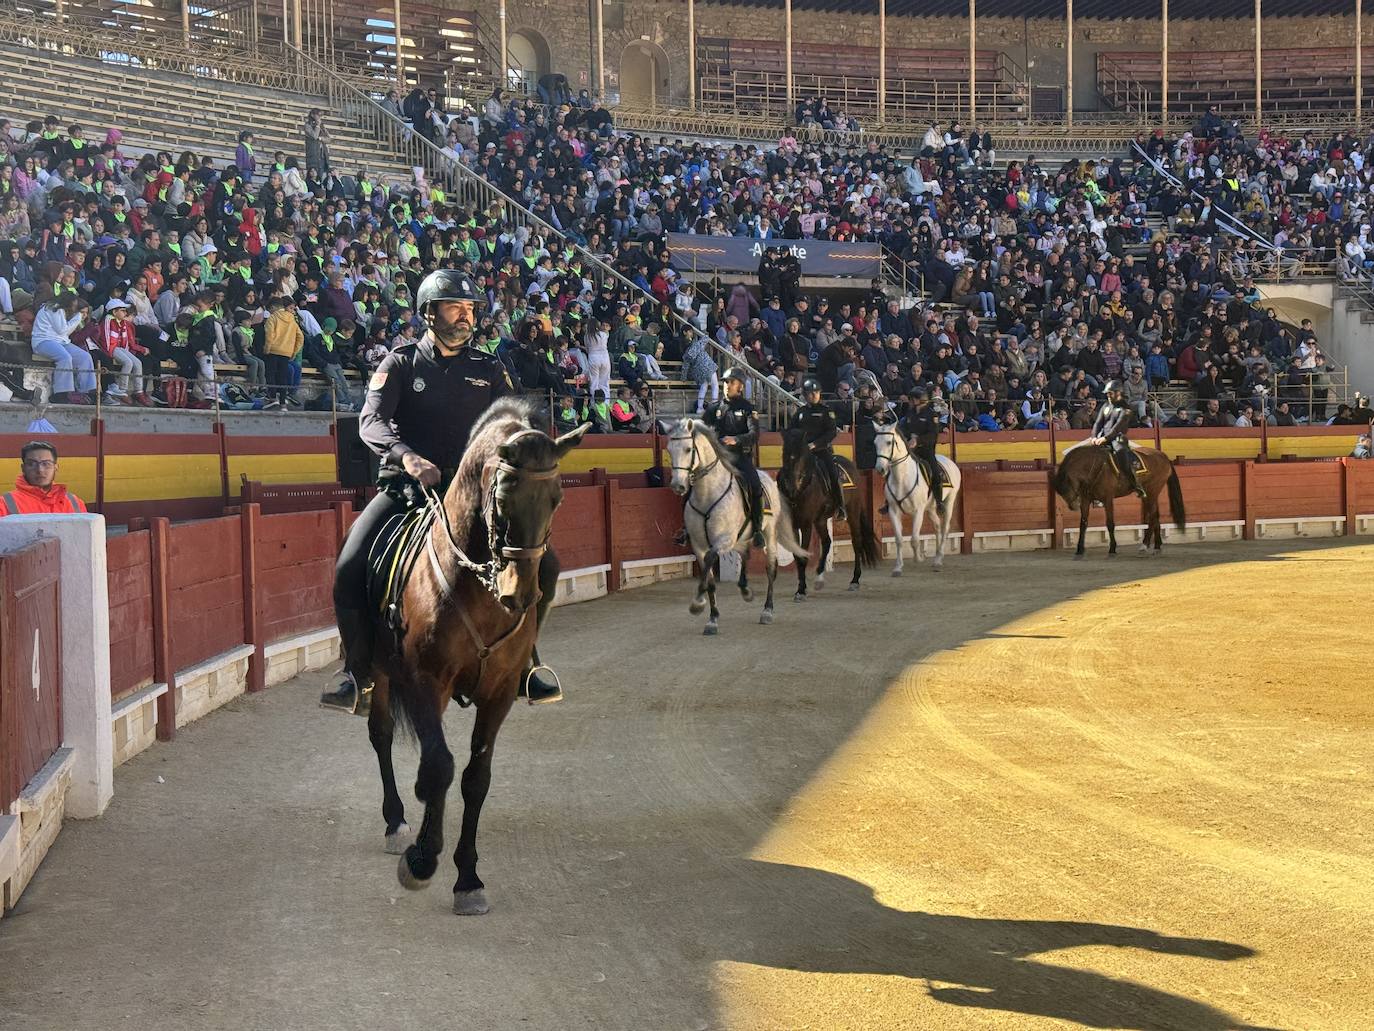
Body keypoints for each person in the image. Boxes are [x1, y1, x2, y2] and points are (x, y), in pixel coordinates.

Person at [324, 269, 564, 714]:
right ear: (429, 313)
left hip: (474, 495)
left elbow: (516, 421)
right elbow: (370, 422)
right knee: (349, 566)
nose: (466, 316)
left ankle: (527, 663)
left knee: (546, 564)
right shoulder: (399, 363)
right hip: (408, 487)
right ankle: (357, 674)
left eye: (471, 308)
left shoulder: (489, 368)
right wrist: (405, 456)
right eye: (455, 307)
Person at [703, 368, 765, 548]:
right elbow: (702, 429)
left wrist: (736, 440)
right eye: (725, 382)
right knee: (694, 481)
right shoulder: (714, 408)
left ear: (740, 386)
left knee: (755, 484)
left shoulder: (748, 409)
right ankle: (687, 527)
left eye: (731, 382)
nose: (726, 385)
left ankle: (758, 528)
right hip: (717, 458)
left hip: (739, 457)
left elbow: (754, 435)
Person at [793, 377, 846, 519]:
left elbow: (831, 432)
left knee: (833, 474)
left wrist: (815, 444)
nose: (814, 395)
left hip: (821, 450)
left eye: (816, 392)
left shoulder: (826, 411)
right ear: (805, 395)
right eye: (810, 393)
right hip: (803, 451)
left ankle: (840, 506)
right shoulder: (800, 412)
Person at [1089, 379, 1146, 499]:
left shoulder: (1126, 408)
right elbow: (1098, 423)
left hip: (1117, 439)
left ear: (1118, 393)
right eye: (1107, 394)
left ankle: (1134, 483)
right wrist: (1094, 437)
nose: (1108, 396)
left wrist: (1104, 439)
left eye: (1110, 393)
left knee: (1121, 455)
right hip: (1101, 437)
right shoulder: (1106, 406)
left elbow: (1117, 427)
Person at [1, 441, 88, 516]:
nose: (40, 470)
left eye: (46, 464)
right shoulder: (4, 504)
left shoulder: (75, 503)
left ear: (56, 467)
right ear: (23, 468)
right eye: (32, 464)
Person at [899, 387, 944, 508]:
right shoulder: (910, 413)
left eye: (911, 399)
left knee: (935, 472)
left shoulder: (931, 414)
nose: (910, 401)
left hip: (925, 450)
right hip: (909, 450)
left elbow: (933, 435)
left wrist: (917, 440)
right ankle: (890, 501)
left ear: (918, 400)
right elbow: (904, 429)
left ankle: (939, 501)